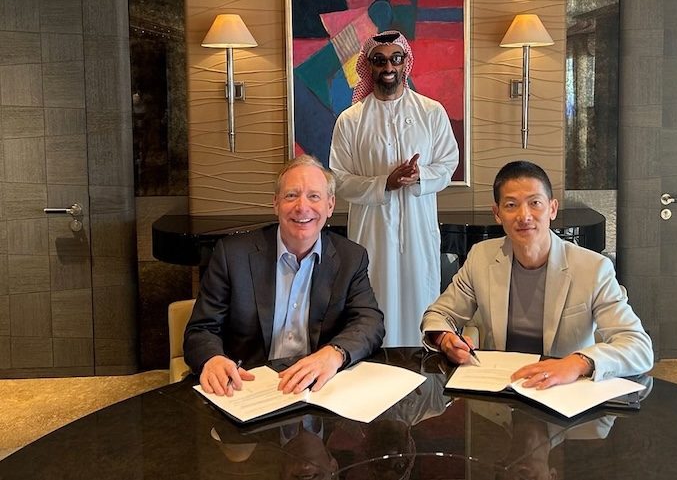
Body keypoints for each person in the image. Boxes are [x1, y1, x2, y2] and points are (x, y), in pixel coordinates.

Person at [421, 160, 653, 388]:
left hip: (563, 393)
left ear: (552, 208)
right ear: (497, 213)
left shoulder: (593, 268)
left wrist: (577, 363)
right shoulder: (481, 257)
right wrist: (445, 338)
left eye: (535, 203)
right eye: (511, 205)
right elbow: (439, 314)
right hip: (501, 389)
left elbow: (638, 347)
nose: (524, 216)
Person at [184, 155, 385, 397]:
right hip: (248, 388)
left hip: (317, 390)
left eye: (314, 196)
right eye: (291, 195)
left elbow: (369, 322)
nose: (302, 207)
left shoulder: (351, 258)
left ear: (330, 205)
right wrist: (212, 358)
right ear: (276, 203)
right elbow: (201, 329)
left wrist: (334, 353)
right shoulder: (233, 255)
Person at [329, 30, 459, 347]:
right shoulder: (350, 120)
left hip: (418, 232)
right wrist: (383, 184)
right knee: (374, 299)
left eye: (395, 59)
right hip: (372, 233)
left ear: (405, 63)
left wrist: (420, 177)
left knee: (421, 301)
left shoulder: (431, 112)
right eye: (380, 60)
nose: (388, 66)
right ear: (369, 66)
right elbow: (339, 179)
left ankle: (422, 375)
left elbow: (448, 162)